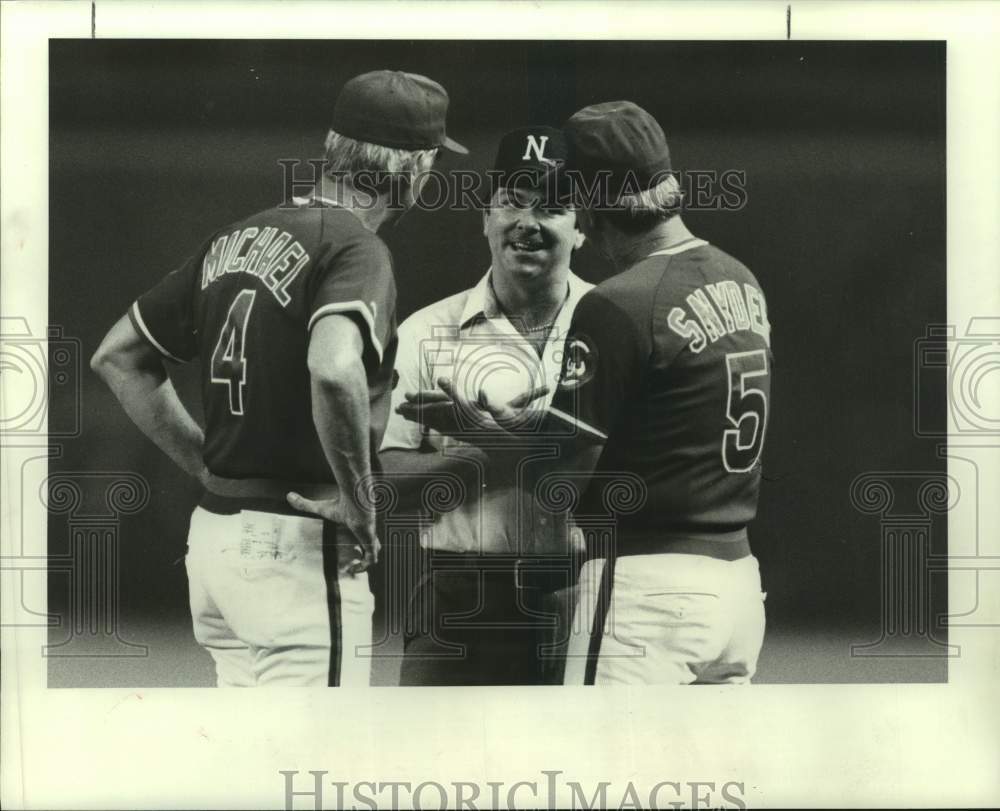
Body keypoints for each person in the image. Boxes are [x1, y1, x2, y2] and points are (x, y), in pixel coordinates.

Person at [90, 70, 467, 687]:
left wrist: (201, 461)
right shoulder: (355, 248)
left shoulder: (236, 236)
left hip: (214, 542)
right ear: (418, 169)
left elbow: (118, 355)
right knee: (312, 769)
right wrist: (359, 496)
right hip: (296, 545)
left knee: (246, 768)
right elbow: (333, 364)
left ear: (332, 144)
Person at [432, 102, 772, 685]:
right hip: (738, 585)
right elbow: (664, 422)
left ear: (591, 205)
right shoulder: (738, 278)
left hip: (648, 595)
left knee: (603, 766)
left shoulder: (619, 302)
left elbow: (557, 486)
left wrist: (486, 432)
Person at [380, 126, 592, 685]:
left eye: (551, 207)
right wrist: (476, 459)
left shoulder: (613, 327)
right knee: (424, 768)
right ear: (484, 217)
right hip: (456, 599)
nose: (528, 223)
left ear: (581, 227)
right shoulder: (426, 330)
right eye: (512, 203)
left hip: (581, 597)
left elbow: (606, 476)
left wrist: (482, 435)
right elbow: (379, 479)